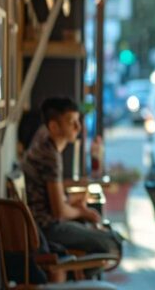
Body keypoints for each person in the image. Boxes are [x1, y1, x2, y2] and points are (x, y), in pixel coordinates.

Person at [21, 97, 120, 260]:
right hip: (45, 230)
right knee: (112, 244)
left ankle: (75, 273)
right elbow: (59, 212)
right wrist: (83, 212)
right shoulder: (50, 156)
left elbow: (52, 189)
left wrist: (73, 201)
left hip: (37, 225)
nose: (78, 127)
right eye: (71, 122)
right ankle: (78, 277)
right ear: (53, 126)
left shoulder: (42, 137)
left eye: (78, 120)